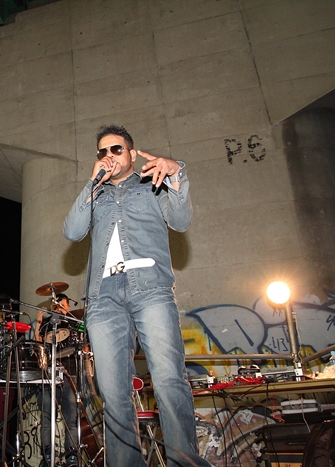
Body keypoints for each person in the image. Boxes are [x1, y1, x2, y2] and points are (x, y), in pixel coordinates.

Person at [63, 125, 208, 467]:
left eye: (116, 149)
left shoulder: (152, 184)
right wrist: (92, 182)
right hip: (104, 298)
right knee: (113, 393)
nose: (109, 156)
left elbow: (181, 221)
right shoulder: (96, 193)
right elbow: (72, 230)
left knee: (169, 380)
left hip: (150, 289)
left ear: (131, 153)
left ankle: (184, 463)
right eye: (102, 151)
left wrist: (177, 174)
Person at [32, 294, 79, 467]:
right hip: (49, 375)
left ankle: (71, 457)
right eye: (56, 306)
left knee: (71, 418)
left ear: (68, 307)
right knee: (46, 417)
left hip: (69, 374)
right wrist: (38, 323)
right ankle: (48, 456)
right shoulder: (46, 324)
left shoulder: (73, 323)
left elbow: (82, 343)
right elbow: (37, 347)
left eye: (62, 305)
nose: (59, 308)